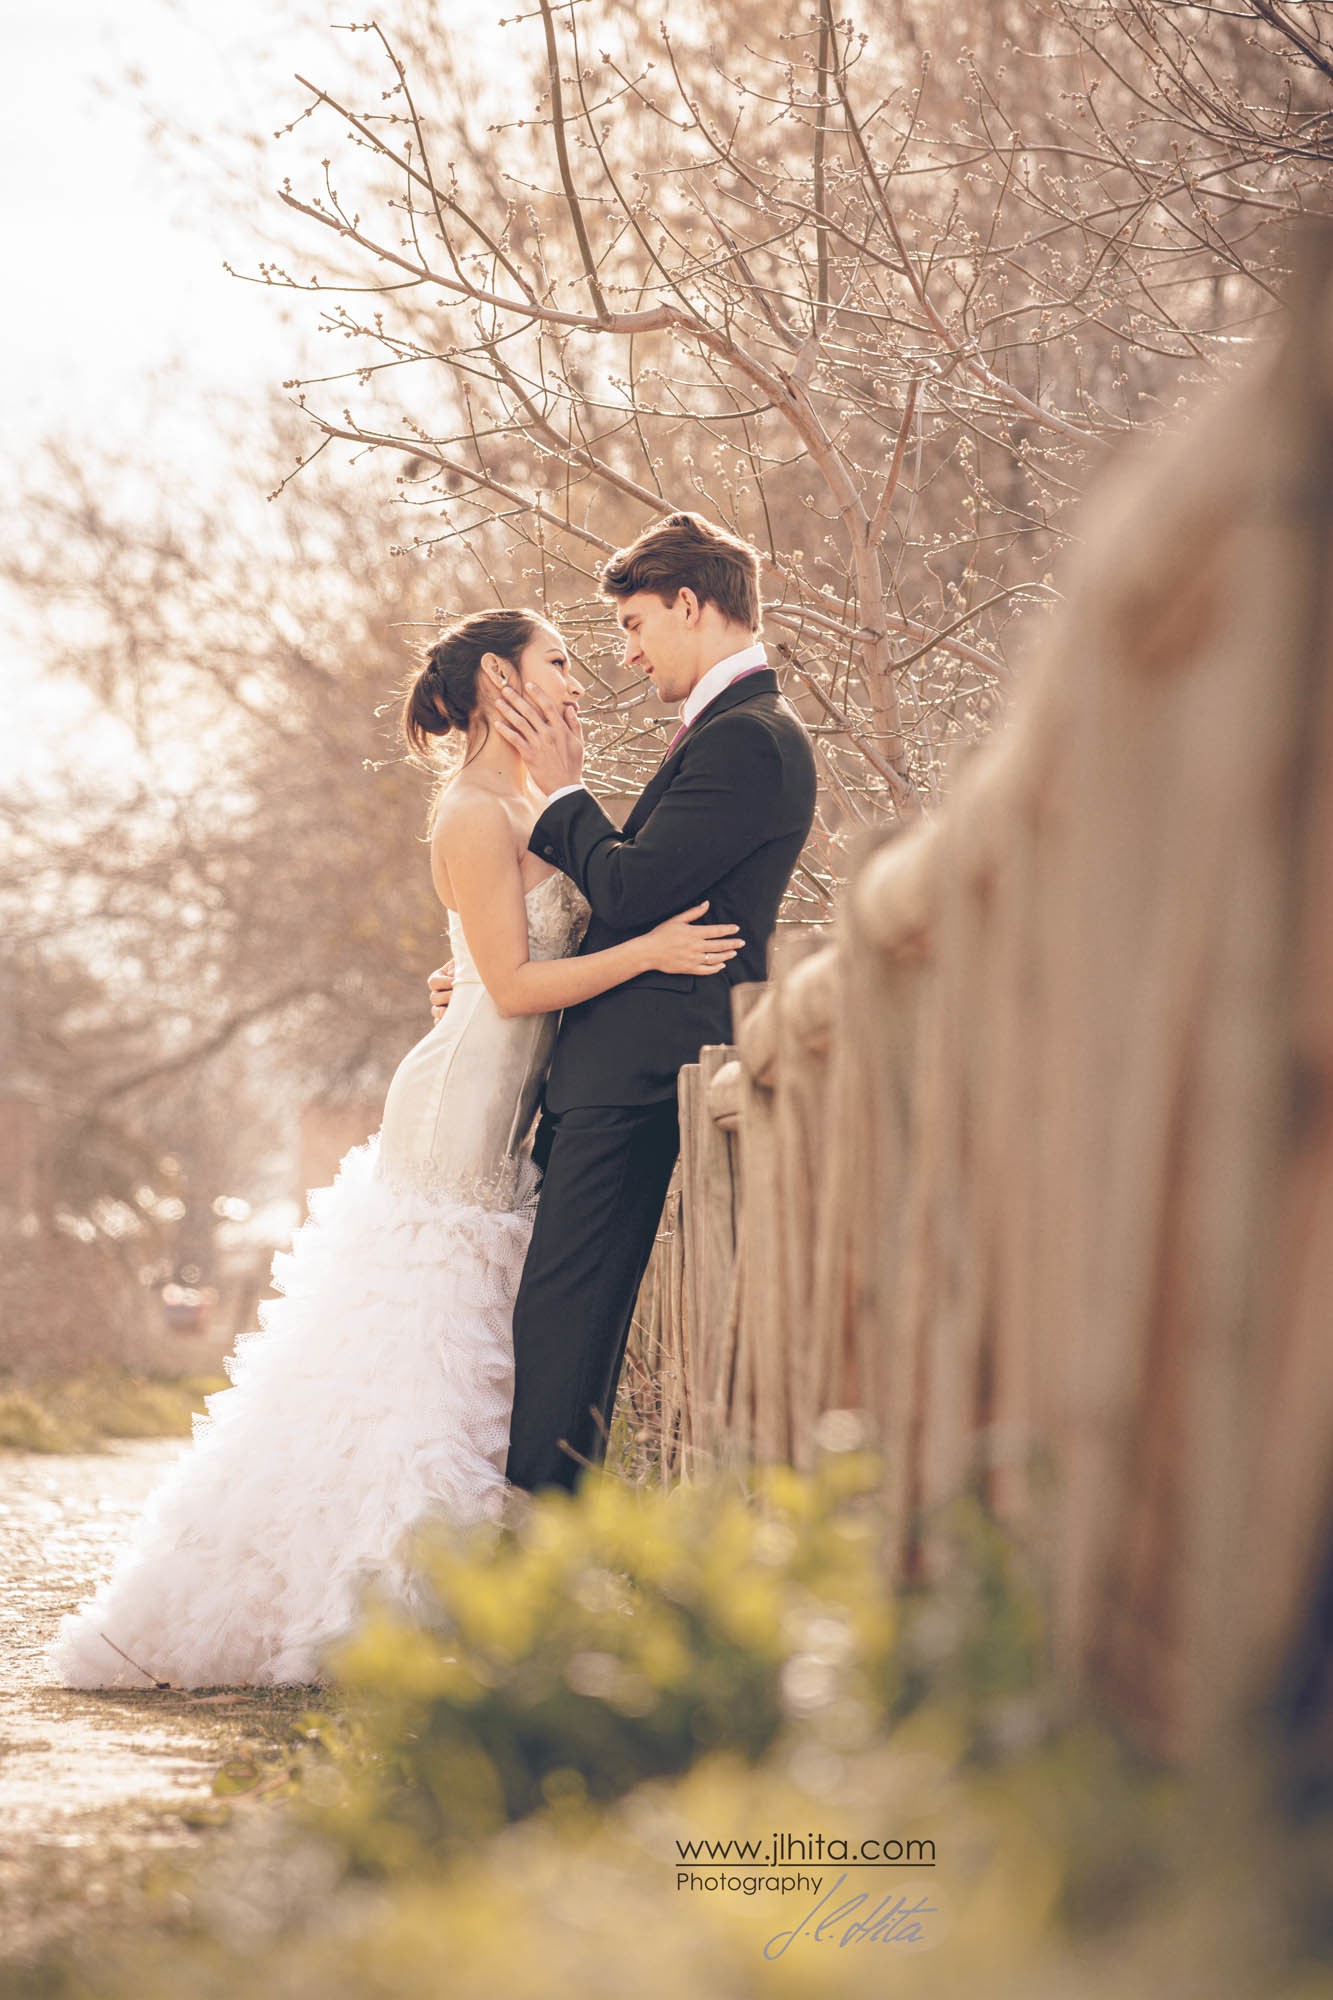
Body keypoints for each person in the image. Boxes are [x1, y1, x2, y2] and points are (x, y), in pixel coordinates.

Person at [50, 608, 743, 1690]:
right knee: (413, 1341)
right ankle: (380, 1603)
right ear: (494, 685)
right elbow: (508, 986)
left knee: (450, 1342)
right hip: (452, 1103)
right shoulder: (471, 809)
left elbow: (485, 964)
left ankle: (448, 1591)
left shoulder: (523, 802)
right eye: (555, 659)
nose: (574, 674)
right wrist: (651, 948)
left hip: (494, 1093)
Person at [431, 512, 817, 1496]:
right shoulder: (730, 733)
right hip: (611, 1066)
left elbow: (634, 890)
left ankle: (537, 1548)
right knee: (562, 1313)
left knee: (567, 1316)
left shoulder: (751, 740)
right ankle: (540, 1539)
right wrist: (482, 975)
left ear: (691, 605)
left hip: (639, 1070)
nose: (629, 652)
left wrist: (565, 792)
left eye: (638, 624)